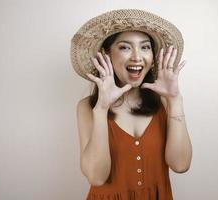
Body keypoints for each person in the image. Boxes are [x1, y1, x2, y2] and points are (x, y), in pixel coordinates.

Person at [70, 9, 192, 200]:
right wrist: (101, 109)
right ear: (107, 54)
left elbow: (180, 165)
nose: (137, 57)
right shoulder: (87, 107)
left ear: (153, 57)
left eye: (145, 47)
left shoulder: (164, 102)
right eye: (125, 47)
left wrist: (175, 100)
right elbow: (96, 177)